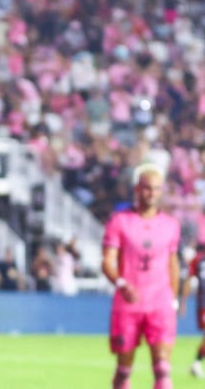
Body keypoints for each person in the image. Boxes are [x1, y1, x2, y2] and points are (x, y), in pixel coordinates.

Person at [102, 163, 181, 389]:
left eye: (156, 189)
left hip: (160, 302)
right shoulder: (120, 221)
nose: (151, 193)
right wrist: (120, 283)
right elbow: (107, 261)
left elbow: (172, 263)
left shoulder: (170, 225)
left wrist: (172, 299)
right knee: (124, 370)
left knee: (163, 368)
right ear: (137, 189)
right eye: (147, 188)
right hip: (129, 303)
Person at [180, 242, 205, 378]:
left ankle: (196, 363)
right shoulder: (198, 260)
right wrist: (183, 302)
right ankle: (196, 363)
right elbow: (188, 280)